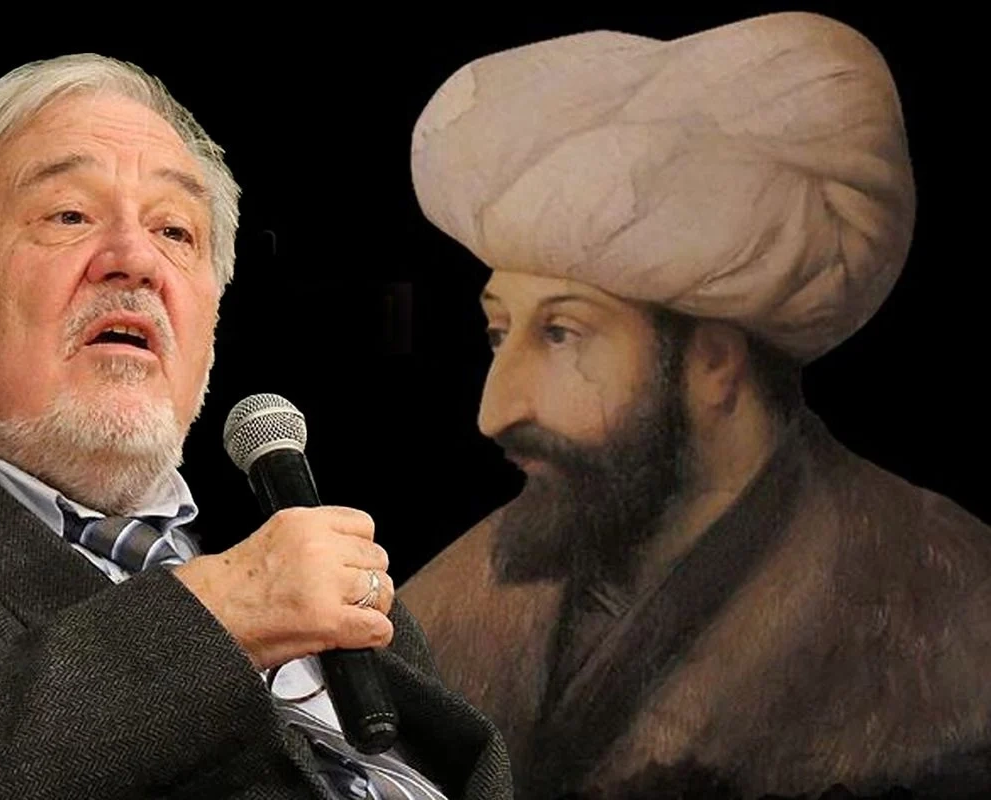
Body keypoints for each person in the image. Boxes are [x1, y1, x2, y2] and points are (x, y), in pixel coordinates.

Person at [0, 54, 510, 800]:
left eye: (174, 230)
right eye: (69, 215)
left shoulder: (311, 577)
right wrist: (221, 616)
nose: (136, 261)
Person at [398, 12, 990, 800]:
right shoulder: (441, 611)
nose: (494, 411)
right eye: (499, 333)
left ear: (714, 362)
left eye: (562, 334)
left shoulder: (957, 605)